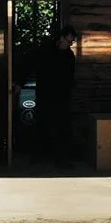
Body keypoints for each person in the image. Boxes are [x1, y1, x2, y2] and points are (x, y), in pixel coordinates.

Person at [32, 26, 79, 164]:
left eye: (72, 42)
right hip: (46, 95)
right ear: (62, 38)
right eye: (69, 41)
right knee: (42, 126)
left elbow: (70, 76)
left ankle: (62, 159)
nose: (70, 44)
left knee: (63, 128)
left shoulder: (69, 56)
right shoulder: (45, 52)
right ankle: (40, 156)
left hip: (62, 97)